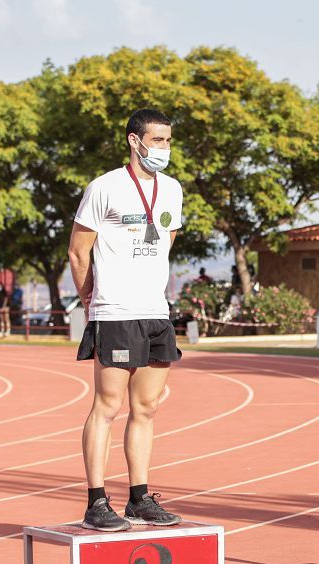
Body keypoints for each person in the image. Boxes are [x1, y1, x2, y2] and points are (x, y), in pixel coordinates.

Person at [67, 108, 185, 531]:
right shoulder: (104, 188)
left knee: (147, 408)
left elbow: (166, 243)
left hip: (156, 312)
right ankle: (96, 501)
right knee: (107, 406)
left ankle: (139, 498)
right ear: (135, 141)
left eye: (168, 141)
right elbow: (79, 252)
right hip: (115, 311)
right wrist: (89, 299)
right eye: (157, 141)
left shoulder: (172, 191)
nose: (164, 149)